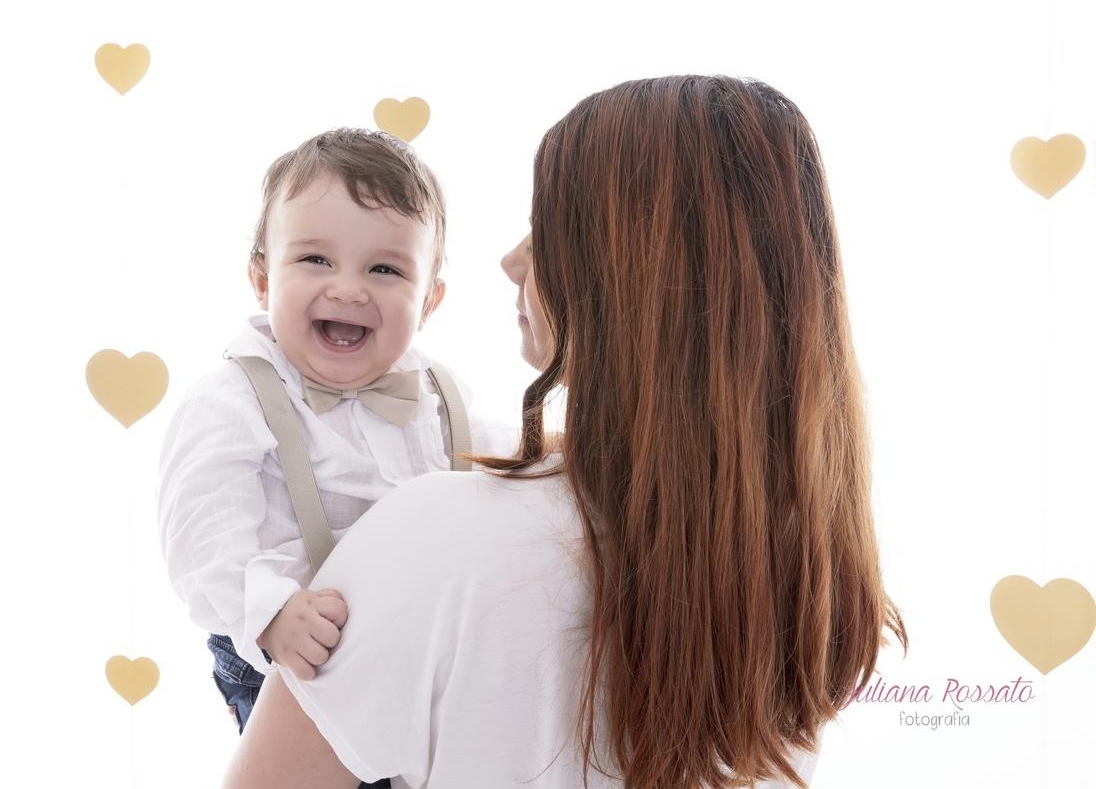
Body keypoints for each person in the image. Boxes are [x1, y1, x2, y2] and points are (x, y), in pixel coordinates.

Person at [221, 75, 907, 789]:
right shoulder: (799, 574)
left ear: (628, 272)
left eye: (549, 228)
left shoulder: (436, 537)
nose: (514, 260)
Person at [157, 128, 516, 742]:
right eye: (315, 259)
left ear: (428, 301)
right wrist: (270, 615)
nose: (348, 287)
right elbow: (202, 538)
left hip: (409, 659)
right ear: (263, 279)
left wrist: (557, 457)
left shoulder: (437, 392)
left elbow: (499, 457)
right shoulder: (234, 398)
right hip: (291, 658)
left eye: (384, 268)